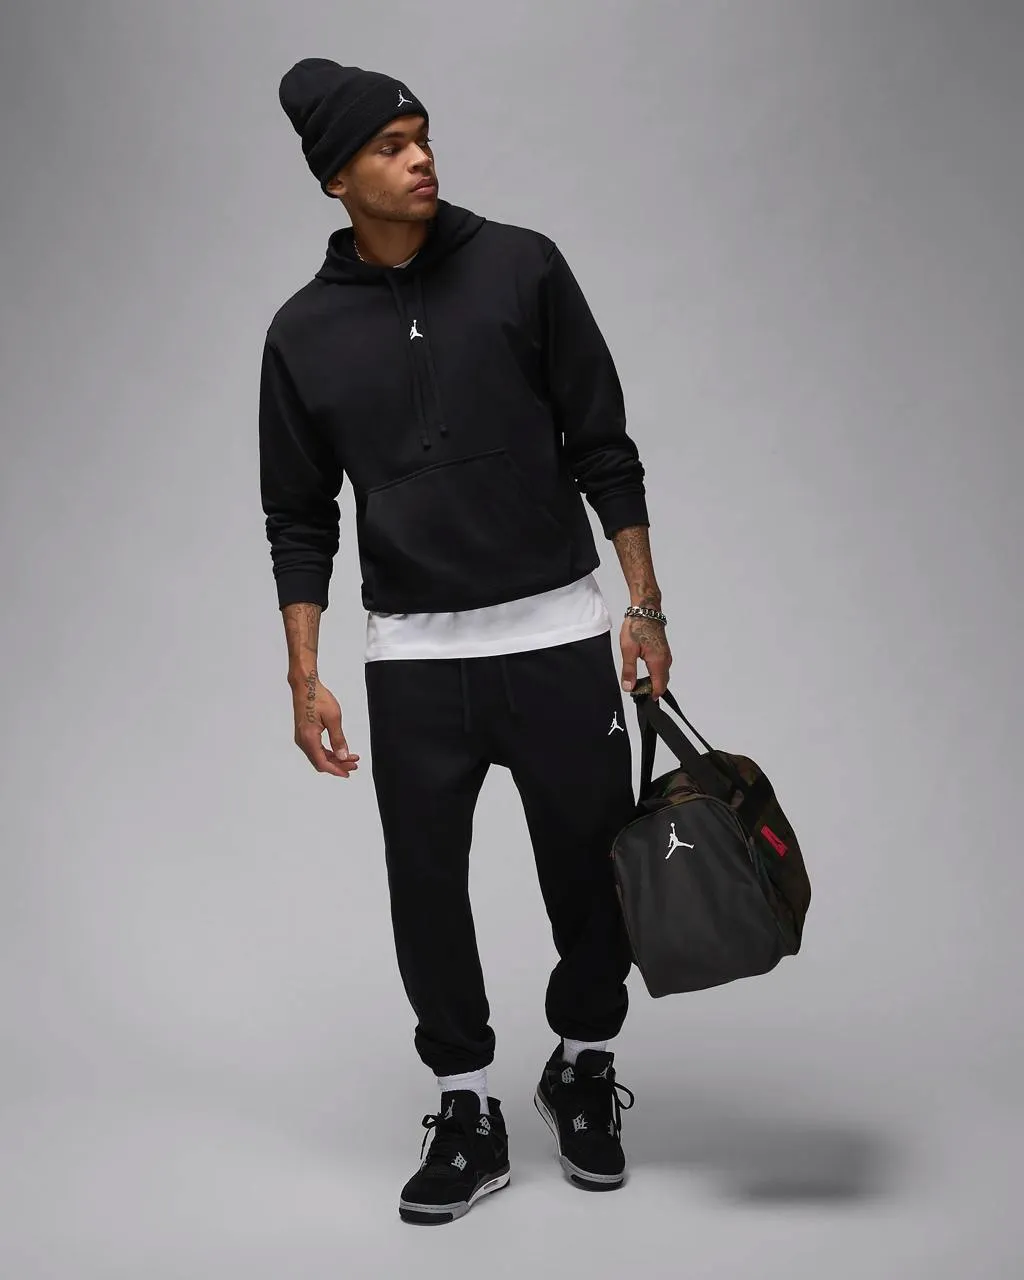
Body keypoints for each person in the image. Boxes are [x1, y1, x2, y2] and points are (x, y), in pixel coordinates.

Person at [260, 58, 672, 1226]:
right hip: (413, 659)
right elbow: (298, 516)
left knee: (590, 877)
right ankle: (464, 1103)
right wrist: (305, 673)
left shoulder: (522, 265)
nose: (420, 158)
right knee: (426, 889)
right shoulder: (301, 333)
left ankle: (582, 1064)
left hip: (556, 634)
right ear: (336, 178)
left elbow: (603, 443)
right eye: (389, 146)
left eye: (423, 134)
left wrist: (643, 604)